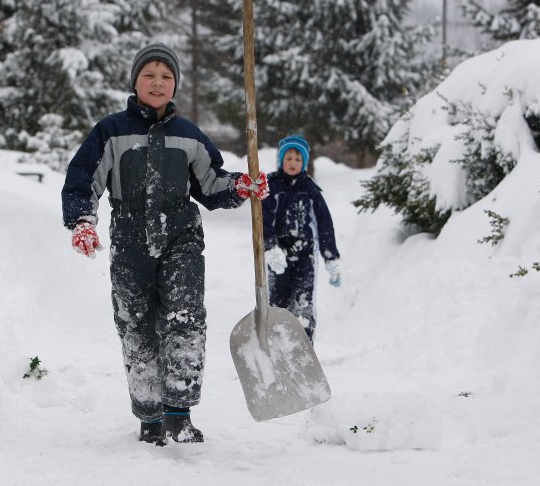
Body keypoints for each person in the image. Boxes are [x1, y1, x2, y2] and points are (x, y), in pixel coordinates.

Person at [61, 43, 268, 445]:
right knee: (136, 326)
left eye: (167, 76)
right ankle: (150, 418)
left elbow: (211, 184)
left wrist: (240, 185)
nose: (158, 82)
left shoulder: (189, 135)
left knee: (186, 318)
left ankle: (179, 413)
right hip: (129, 237)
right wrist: (83, 221)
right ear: (135, 81)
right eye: (150, 75)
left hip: (181, 237)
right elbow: (84, 178)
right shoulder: (111, 131)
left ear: (175, 86)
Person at [262, 135, 341, 344]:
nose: (293, 163)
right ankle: (277, 345)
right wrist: (270, 248)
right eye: (288, 158)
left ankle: (304, 346)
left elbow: (325, 224)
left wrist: (330, 257)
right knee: (278, 303)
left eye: (298, 159)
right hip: (279, 255)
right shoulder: (272, 187)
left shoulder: (310, 189)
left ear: (304, 163)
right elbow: (263, 221)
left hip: (306, 255)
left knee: (303, 302)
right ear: (281, 160)